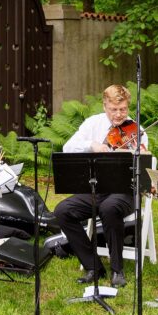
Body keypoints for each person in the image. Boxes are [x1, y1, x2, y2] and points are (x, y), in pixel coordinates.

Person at [53, 85, 148, 288]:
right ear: (105, 106)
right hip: (96, 188)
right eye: (113, 109)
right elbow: (67, 147)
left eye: (122, 109)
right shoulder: (92, 124)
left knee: (109, 207)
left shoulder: (136, 131)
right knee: (62, 211)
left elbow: (144, 166)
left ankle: (117, 269)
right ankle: (93, 266)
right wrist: (92, 145)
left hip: (125, 191)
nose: (118, 114)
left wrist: (135, 155)